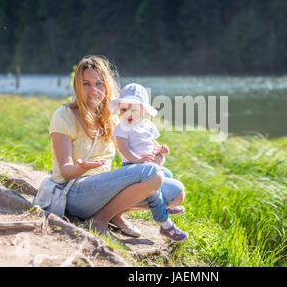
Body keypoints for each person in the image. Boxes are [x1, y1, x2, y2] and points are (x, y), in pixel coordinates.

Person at [49, 55, 186, 239]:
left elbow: (136, 148)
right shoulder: (63, 115)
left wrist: (155, 156)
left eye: (99, 83)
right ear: (77, 86)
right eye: (86, 84)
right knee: (152, 174)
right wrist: (81, 168)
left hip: (102, 189)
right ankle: (99, 220)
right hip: (74, 192)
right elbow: (64, 171)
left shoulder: (111, 118)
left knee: (176, 192)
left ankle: (115, 214)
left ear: (107, 85)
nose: (94, 90)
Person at [109, 83, 188, 242]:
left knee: (167, 174)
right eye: (124, 110)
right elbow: (124, 149)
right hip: (133, 167)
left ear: (143, 110)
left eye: (133, 110)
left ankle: (166, 204)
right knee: (153, 189)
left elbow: (153, 145)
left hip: (149, 165)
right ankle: (165, 224)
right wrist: (138, 160)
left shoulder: (148, 126)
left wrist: (161, 151)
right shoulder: (122, 128)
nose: (128, 114)